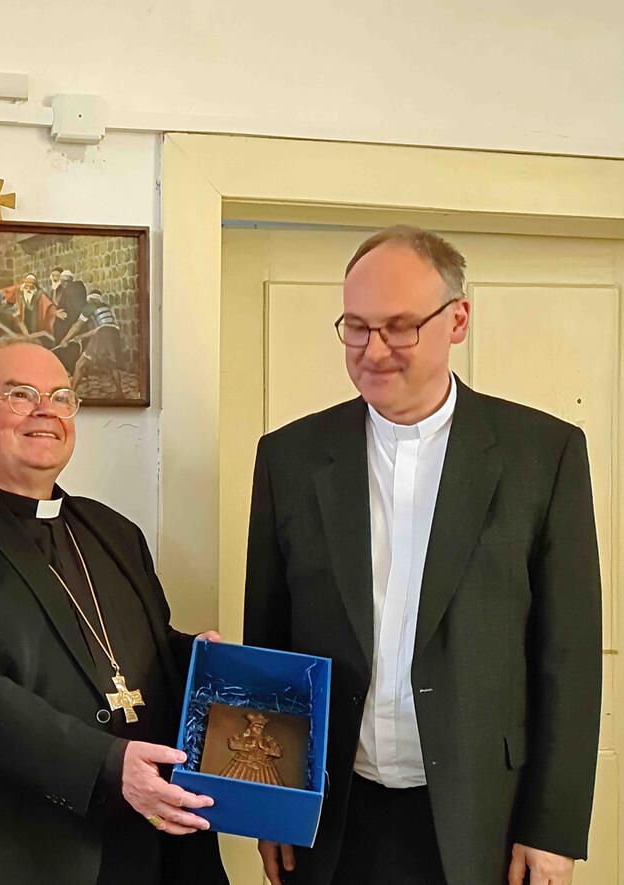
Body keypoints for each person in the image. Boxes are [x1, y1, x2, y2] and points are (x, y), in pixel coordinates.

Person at [243, 226, 601, 885]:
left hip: (481, 817)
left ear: (457, 318)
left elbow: (568, 659)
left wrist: (551, 828)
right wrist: (270, 804)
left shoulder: (542, 455)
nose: (373, 350)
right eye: (356, 327)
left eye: (400, 327)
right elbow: (269, 642)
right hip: (332, 815)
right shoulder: (289, 457)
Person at [0, 340, 228, 885]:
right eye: (21, 395)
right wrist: (110, 766)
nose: (46, 410)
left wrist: (202, 659)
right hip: (7, 851)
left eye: (62, 397)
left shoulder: (115, 533)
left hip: (143, 842)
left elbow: (131, 651)